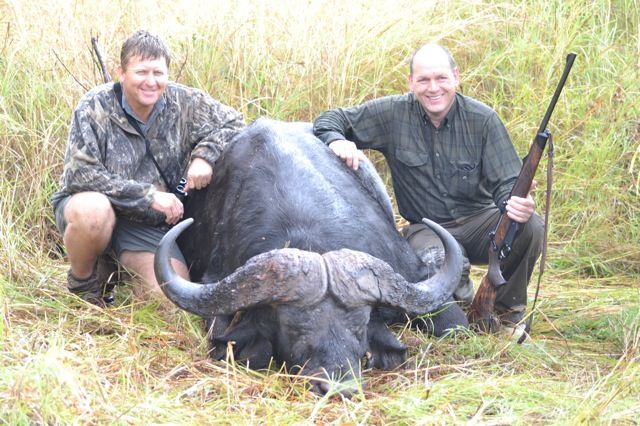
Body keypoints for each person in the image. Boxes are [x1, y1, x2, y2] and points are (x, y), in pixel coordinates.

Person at [313, 43, 543, 335]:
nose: (433, 88)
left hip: (478, 222)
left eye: (441, 78)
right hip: (426, 228)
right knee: (439, 267)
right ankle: (462, 306)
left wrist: (515, 203)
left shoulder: (483, 119)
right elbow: (330, 119)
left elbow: (507, 183)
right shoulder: (393, 113)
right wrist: (337, 140)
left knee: (530, 226)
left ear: (456, 77)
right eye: (423, 80)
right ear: (411, 82)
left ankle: (505, 314)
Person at [51, 30, 245, 307]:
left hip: (146, 224)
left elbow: (235, 123)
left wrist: (204, 156)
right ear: (122, 73)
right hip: (95, 210)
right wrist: (148, 196)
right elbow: (80, 175)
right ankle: (84, 286)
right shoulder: (93, 106)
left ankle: (119, 270)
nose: (151, 82)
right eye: (141, 72)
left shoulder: (184, 101)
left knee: (172, 303)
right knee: (94, 212)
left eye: (158, 73)